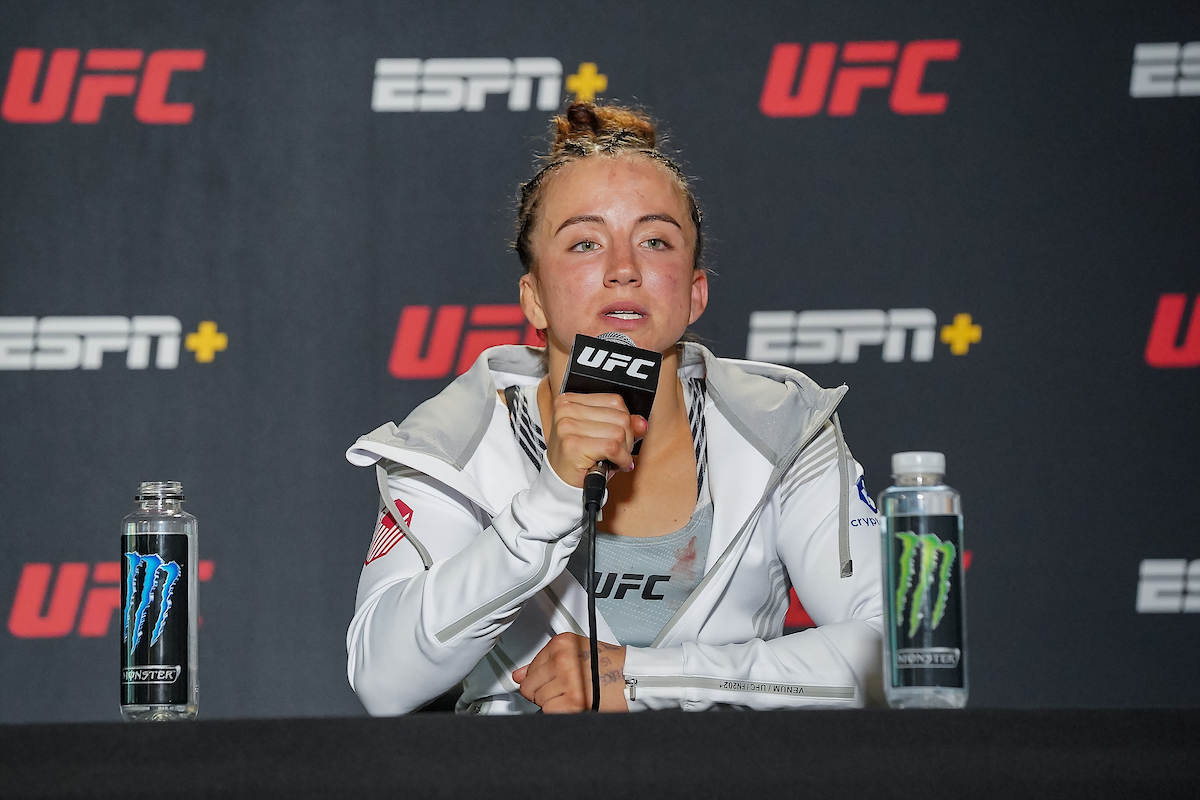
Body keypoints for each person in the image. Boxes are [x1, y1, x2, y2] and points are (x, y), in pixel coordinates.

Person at [345, 102, 884, 715]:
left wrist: (640, 680)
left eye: (655, 241)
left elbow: (894, 656)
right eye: (585, 243)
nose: (624, 270)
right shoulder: (453, 443)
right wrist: (548, 502)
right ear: (534, 298)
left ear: (694, 294)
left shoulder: (782, 426)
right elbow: (382, 682)